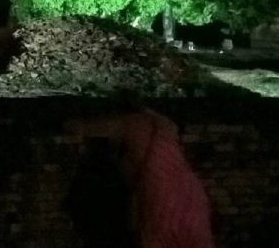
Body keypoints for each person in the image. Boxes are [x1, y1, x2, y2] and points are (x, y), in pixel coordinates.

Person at [66, 106, 214, 248]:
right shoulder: (166, 127)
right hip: (191, 195)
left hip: (159, 193)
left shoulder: (128, 123)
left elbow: (81, 128)